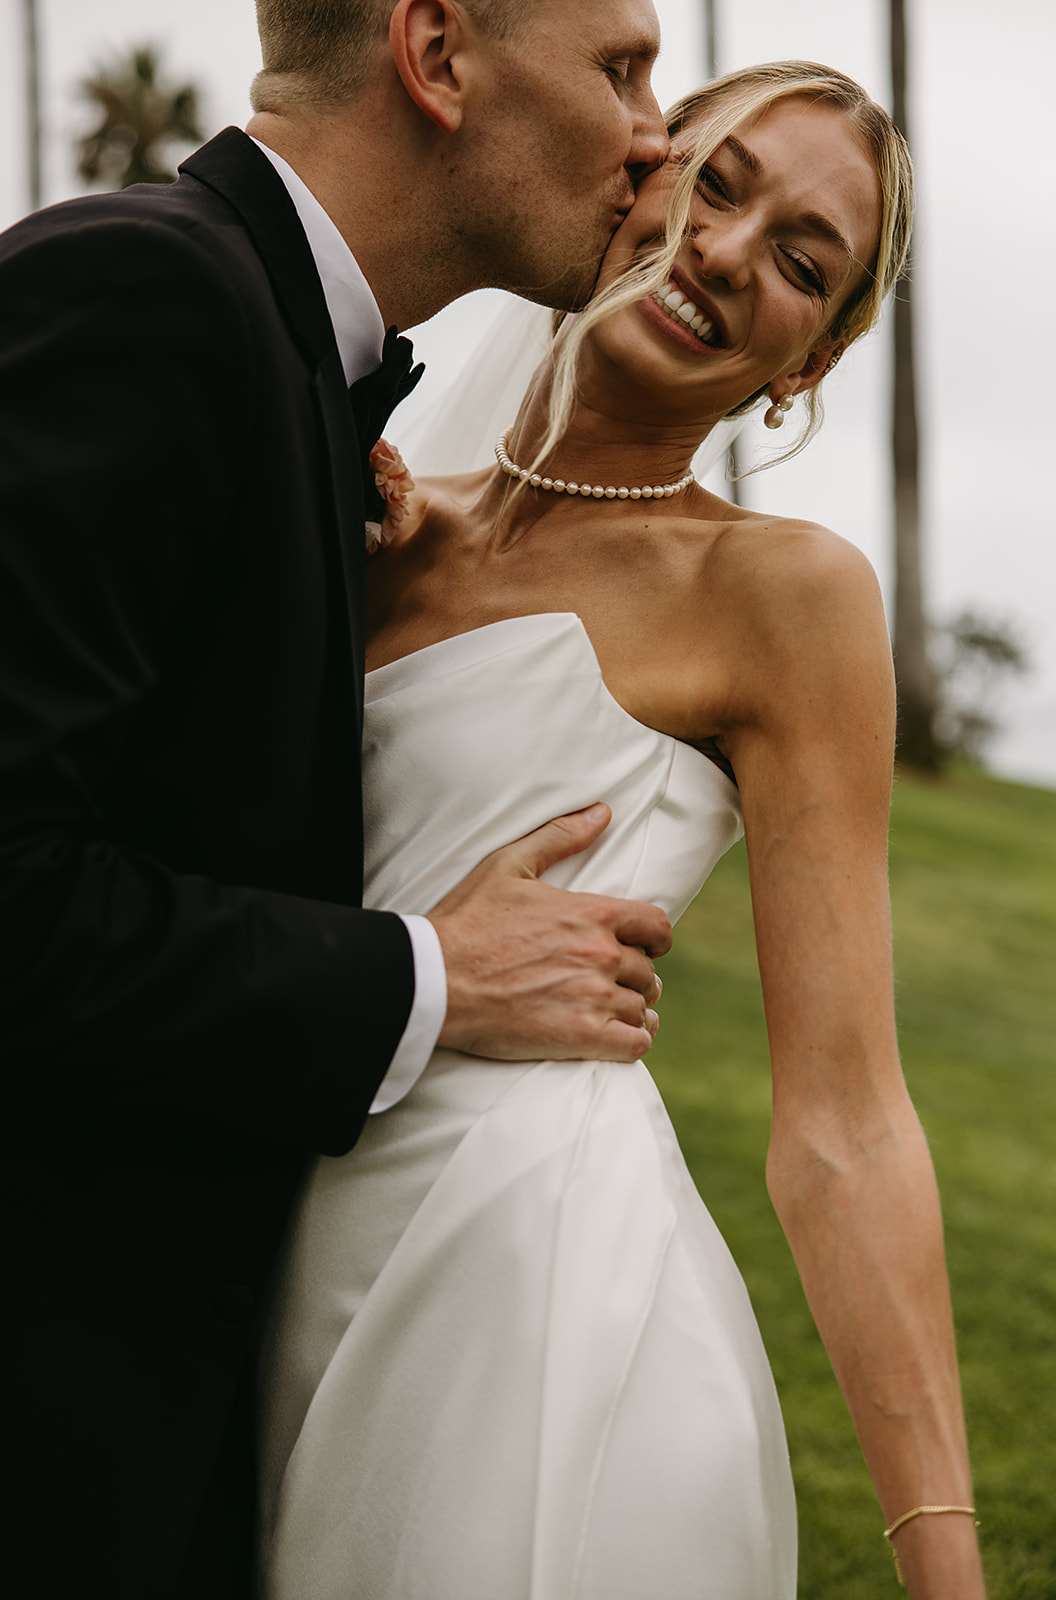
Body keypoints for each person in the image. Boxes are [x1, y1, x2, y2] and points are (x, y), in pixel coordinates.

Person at [258, 64, 987, 1600]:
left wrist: (944, 1561)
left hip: (530, 1300)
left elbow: (847, 1124)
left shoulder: (782, 600)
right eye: (717, 184)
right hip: (250, 1251)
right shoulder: (363, 512)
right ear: (633, 176)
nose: (730, 254)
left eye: (804, 261)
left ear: (810, 361)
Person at [0, 3, 676, 1594]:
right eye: (621, 67)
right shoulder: (143, 295)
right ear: (437, 56)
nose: (659, 134)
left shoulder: (291, 367)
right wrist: (441, 976)